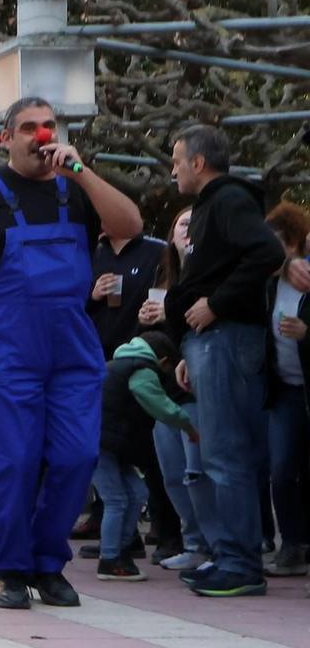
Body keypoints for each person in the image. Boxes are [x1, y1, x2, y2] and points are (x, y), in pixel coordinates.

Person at [0, 99, 143, 609]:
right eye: (28, 128)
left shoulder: (76, 188)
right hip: (5, 351)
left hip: (72, 350)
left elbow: (129, 224)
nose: (41, 136)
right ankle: (14, 569)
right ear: (4, 139)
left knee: (78, 456)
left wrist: (82, 171)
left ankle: (48, 562)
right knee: (15, 462)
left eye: (49, 126)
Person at [165, 124, 285, 599]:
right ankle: (232, 554)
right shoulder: (214, 207)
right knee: (221, 452)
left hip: (226, 338)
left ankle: (239, 562)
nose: (172, 168)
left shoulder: (229, 200)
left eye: (177, 159)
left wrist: (216, 303)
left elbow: (268, 251)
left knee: (226, 453)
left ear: (198, 162)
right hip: (210, 343)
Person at [139, 207, 212, 571]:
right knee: (171, 471)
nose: (187, 229)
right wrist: (146, 324)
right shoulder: (164, 277)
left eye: (193, 223)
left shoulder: (207, 278)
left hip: (195, 388)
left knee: (196, 471)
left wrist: (168, 313)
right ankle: (192, 540)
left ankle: (211, 545)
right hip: (163, 389)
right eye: (182, 223)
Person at [94, 330, 193, 582]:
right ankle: (110, 558)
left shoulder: (119, 363)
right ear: (163, 361)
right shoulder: (142, 368)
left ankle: (121, 549)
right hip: (100, 443)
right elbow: (155, 400)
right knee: (116, 498)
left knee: (137, 492)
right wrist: (187, 424)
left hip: (109, 443)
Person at [263, 203, 310, 579]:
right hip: (283, 390)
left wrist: (307, 334)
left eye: (276, 244)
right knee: (280, 468)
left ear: (294, 245)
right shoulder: (266, 283)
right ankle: (291, 543)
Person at [91, 218, 168, 359]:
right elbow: (72, 299)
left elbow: (173, 281)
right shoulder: (93, 251)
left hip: (137, 349)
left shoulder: (157, 249)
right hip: (94, 350)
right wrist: (93, 294)